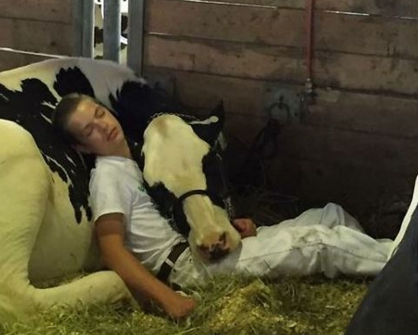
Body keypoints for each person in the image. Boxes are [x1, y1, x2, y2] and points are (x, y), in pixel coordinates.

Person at [52, 93, 396, 320]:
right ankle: (402, 268)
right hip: (187, 268)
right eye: (90, 130)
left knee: (330, 213)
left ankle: (375, 277)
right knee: (319, 242)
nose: (103, 126)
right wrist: (167, 299)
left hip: (202, 246)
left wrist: (232, 227)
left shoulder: (142, 156)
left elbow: (183, 213)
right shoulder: (108, 177)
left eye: (99, 113)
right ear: (82, 147)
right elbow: (111, 249)